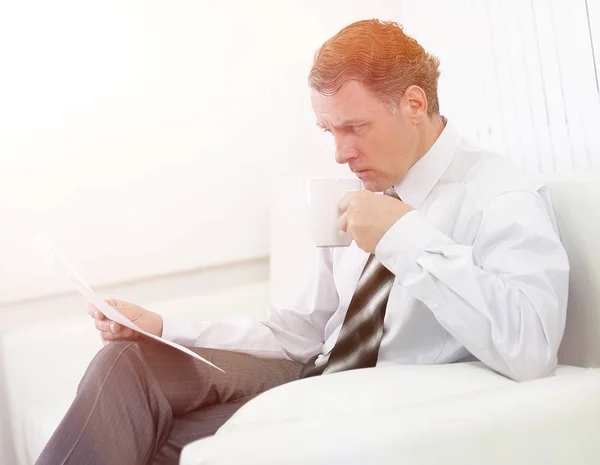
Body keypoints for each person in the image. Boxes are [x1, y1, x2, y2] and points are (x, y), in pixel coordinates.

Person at [36, 18, 569, 465]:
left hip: (371, 403)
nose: (340, 153)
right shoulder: (361, 188)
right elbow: (302, 332)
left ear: (413, 102)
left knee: (150, 444)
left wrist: (403, 237)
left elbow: (531, 346)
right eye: (329, 131)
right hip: (311, 374)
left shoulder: (500, 194)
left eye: (354, 127)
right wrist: (165, 327)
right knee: (126, 364)